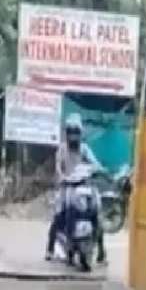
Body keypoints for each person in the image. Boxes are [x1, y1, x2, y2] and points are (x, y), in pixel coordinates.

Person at [46, 113, 106, 264]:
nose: (73, 136)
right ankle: (50, 248)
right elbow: (58, 167)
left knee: (96, 213)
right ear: (66, 134)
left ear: (80, 134)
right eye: (70, 132)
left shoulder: (85, 149)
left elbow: (95, 163)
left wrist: (98, 169)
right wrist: (61, 177)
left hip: (84, 187)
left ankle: (101, 250)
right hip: (67, 187)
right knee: (60, 214)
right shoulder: (62, 150)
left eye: (76, 132)